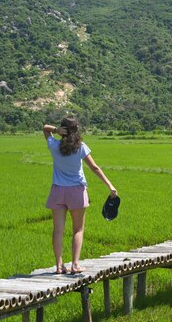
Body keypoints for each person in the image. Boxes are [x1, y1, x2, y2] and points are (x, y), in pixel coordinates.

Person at [43, 116, 117, 274]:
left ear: (63, 130)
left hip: (57, 191)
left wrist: (55, 130)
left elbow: (45, 128)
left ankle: (59, 265)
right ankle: (75, 265)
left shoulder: (54, 145)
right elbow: (95, 168)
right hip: (76, 191)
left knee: (58, 230)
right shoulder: (81, 147)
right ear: (76, 131)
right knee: (78, 229)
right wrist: (110, 185)